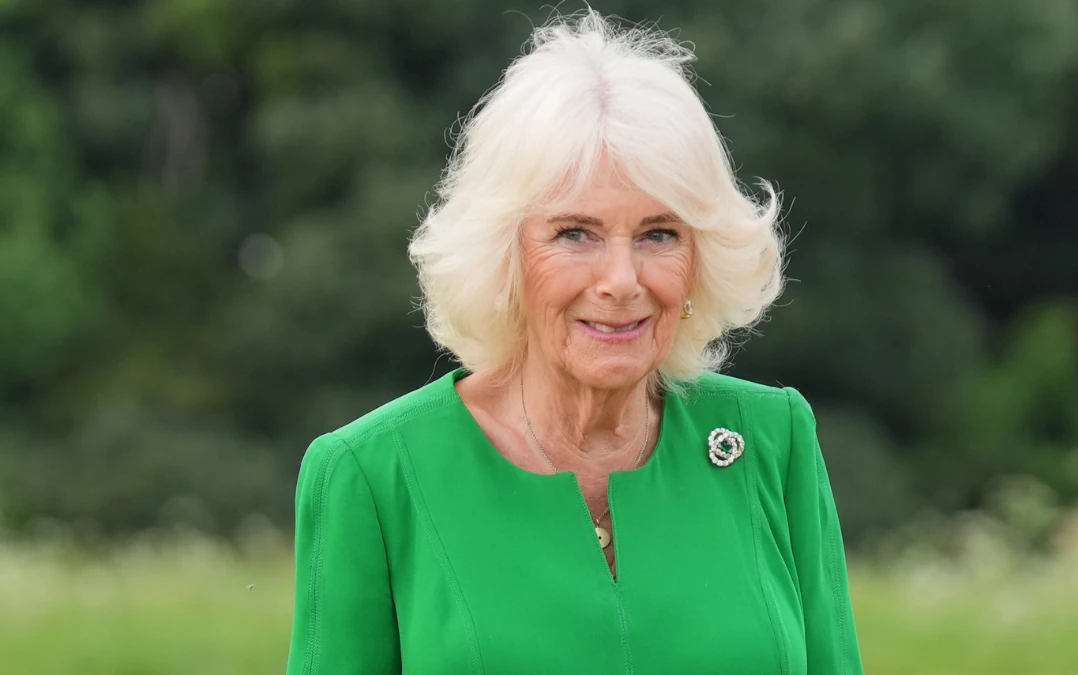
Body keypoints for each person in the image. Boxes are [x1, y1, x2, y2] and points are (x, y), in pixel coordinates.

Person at [286, 10, 863, 675]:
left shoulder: (772, 440)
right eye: (574, 234)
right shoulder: (369, 473)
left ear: (702, 256)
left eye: (659, 234)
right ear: (505, 255)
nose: (621, 280)